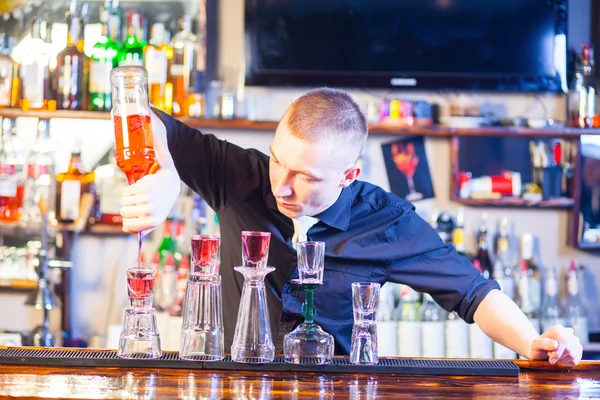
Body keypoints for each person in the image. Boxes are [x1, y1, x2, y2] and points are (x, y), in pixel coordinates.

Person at [119, 87, 582, 366]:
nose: (282, 186)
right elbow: (138, 110)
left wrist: (535, 343)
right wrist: (160, 171)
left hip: (333, 388)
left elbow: (473, 293)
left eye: (306, 177)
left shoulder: (387, 219)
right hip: (233, 384)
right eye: (279, 161)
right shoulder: (237, 174)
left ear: (348, 176)